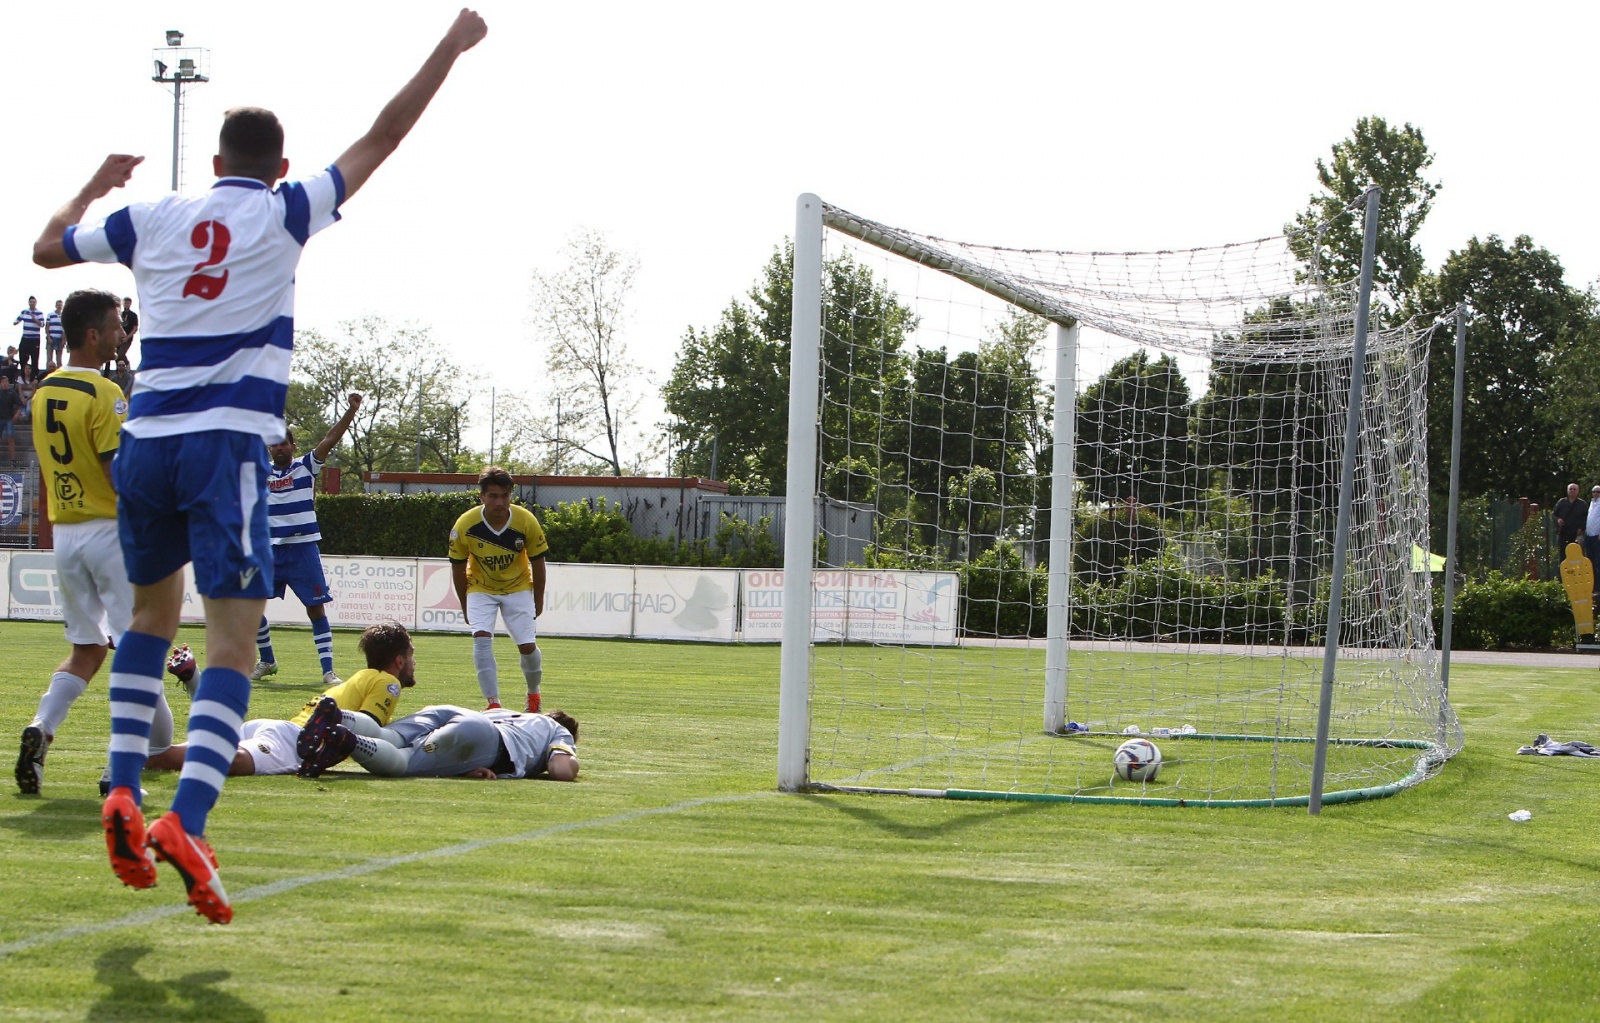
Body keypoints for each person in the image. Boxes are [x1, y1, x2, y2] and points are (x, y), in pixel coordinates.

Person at [32, 8, 488, 925]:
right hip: (223, 444)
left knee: (152, 623)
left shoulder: (154, 215)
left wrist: (90, 186)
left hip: (148, 441)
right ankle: (187, 820)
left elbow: (46, 249)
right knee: (233, 644)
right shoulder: (287, 209)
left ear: (211, 165)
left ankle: (123, 789)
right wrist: (451, 45)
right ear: (279, 167)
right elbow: (385, 136)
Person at [15, 290, 178, 795]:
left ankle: (42, 727)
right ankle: (120, 764)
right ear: (92, 335)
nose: (122, 335)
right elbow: (117, 472)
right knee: (138, 647)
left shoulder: (43, 390)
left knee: (87, 648)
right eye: (114, 327)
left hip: (65, 533)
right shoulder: (105, 394)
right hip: (110, 531)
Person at [150, 621, 416, 777]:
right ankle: (155, 684)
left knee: (177, 753)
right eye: (412, 655)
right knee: (168, 759)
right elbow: (361, 731)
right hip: (291, 743)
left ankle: (191, 681)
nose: (414, 663)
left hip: (273, 730)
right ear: (399, 659)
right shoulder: (387, 682)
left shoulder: (362, 677)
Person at [253, 392, 363, 685]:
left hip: (302, 549)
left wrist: (351, 412)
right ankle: (267, 660)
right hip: (270, 551)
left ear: (292, 445)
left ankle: (328, 670)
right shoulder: (259, 473)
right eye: (274, 443)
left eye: (283, 443)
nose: (279, 447)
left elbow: (331, 438)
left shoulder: (306, 466)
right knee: (248, 605)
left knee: (315, 608)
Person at [449, 465, 549, 714]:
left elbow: (538, 562)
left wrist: (538, 599)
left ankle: (533, 695)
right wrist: (464, 604)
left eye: (504, 496)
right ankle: (493, 703)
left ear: (511, 495)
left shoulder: (525, 520)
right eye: (493, 496)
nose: (499, 502)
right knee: (481, 639)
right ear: (481, 496)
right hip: (480, 587)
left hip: (518, 587)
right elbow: (458, 568)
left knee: (527, 646)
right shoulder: (465, 525)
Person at [307, 703, 578, 781]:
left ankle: (338, 713)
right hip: (485, 740)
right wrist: (572, 757)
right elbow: (561, 770)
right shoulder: (557, 731)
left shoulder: (517, 715)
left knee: (389, 735)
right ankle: (347, 740)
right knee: (403, 762)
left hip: (460, 713)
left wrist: (461, 765)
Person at [14, 296, 44, 376]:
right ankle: (23, 375)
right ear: (29, 302)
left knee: (34, 359)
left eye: (34, 302)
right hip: (25, 338)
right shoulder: (24, 312)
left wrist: (34, 319)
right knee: (22, 357)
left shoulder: (39, 313)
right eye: (31, 302)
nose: (32, 303)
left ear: (36, 303)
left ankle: (34, 376)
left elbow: (42, 324)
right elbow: (17, 319)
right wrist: (16, 322)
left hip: (35, 339)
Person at [1555, 483, 1586, 552]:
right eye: (1570, 489)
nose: (1572, 491)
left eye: (1574, 489)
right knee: (1562, 553)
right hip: (1563, 533)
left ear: (1578, 491)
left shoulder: (1582, 504)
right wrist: (1558, 520)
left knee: (1576, 553)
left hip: (1576, 534)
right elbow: (1554, 515)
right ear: (1567, 491)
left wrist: (1581, 528)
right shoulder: (1561, 502)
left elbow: (1585, 518)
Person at [0, 375, 21, 461]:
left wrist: (17, 414)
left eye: (6, 381)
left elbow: (20, 405)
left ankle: (13, 460)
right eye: (3, 382)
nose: (5, 383)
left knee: (10, 438)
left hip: (9, 418)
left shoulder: (12, 392)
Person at [44, 299, 65, 370]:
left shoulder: (64, 316)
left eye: (61, 305)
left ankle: (59, 374)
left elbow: (64, 329)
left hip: (60, 338)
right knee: (49, 358)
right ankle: (47, 373)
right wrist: (48, 337)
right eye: (58, 305)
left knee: (59, 359)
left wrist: (64, 340)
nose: (59, 307)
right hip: (51, 337)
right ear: (56, 306)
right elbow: (47, 326)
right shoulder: (50, 315)